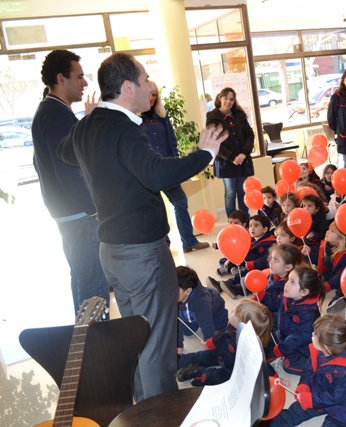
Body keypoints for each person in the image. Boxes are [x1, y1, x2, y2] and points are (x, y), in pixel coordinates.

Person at [57, 52, 228, 401]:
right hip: (143, 255)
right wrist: (205, 154)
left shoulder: (91, 126)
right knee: (156, 344)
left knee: (135, 336)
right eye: (145, 80)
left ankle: (140, 411)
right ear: (126, 87)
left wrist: (87, 121)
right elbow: (157, 173)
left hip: (111, 252)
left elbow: (64, 153)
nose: (150, 87)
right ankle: (159, 414)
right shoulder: (123, 129)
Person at [31, 49, 110, 315]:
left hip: (68, 213)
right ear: (61, 78)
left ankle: (85, 344)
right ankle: (98, 349)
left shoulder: (51, 111)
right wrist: (94, 208)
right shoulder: (56, 114)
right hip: (78, 214)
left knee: (82, 280)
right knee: (94, 286)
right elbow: (69, 169)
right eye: (79, 76)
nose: (85, 83)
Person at [141, 81, 209, 253]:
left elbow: (172, 142)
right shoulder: (135, 119)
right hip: (149, 172)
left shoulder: (162, 116)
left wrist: (177, 167)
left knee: (180, 202)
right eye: (149, 94)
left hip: (167, 169)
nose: (151, 98)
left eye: (154, 95)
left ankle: (189, 242)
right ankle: (165, 245)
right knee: (158, 210)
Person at [269, 314, 346, 427]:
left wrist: (311, 399)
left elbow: (335, 396)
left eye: (315, 334)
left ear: (326, 346)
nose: (312, 334)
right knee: (293, 412)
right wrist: (304, 386)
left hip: (343, 405)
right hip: (318, 392)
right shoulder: (319, 351)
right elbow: (308, 370)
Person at [176, 299, 273, 386]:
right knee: (202, 356)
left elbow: (261, 364)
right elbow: (221, 336)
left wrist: (274, 377)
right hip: (220, 352)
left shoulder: (251, 346)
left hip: (230, 369)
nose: (231, 311)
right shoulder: (232, 326)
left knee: (215, 377)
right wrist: (210, 343)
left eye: (234, 312)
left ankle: (197, 371)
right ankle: (181, 360)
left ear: (242, 323)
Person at [265, 265, 324, 375]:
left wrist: (282, 349)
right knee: (264, 343)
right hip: (283, 336)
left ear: (304, 292)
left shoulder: (309, 314)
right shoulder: (289, 297)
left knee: (288, 365)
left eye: (292, 282)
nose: (286, 284)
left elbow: (300, 338)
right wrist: (263, 296)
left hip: (302, 348)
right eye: (288, 280)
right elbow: (276, 302)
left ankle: (316, 366)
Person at [208, 87, 255, 218]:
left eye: (231, 99)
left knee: (242, 192)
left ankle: (244, 219)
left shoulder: (239, 115)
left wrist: (243, 154)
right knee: (230, 192)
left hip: (242, 160)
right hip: (226, 161)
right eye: (226, 98)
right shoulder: (212, 117)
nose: (228, 102)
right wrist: (232, 158)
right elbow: (215, 142)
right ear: (219, 98)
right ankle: (233, 221)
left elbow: (250, 135)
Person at [176, 266, 227, 355]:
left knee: (218, 331)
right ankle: (194, 320)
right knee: (186, 332)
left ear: (188, 291)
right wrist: (179, 344)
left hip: (215, 312)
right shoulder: (174, 297)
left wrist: (209, 343)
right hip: (193, 314)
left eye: (174, 290)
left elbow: (207, 326)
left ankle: (222, 324)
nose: (169, 293)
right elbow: (177, 321)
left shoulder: (202, 303)